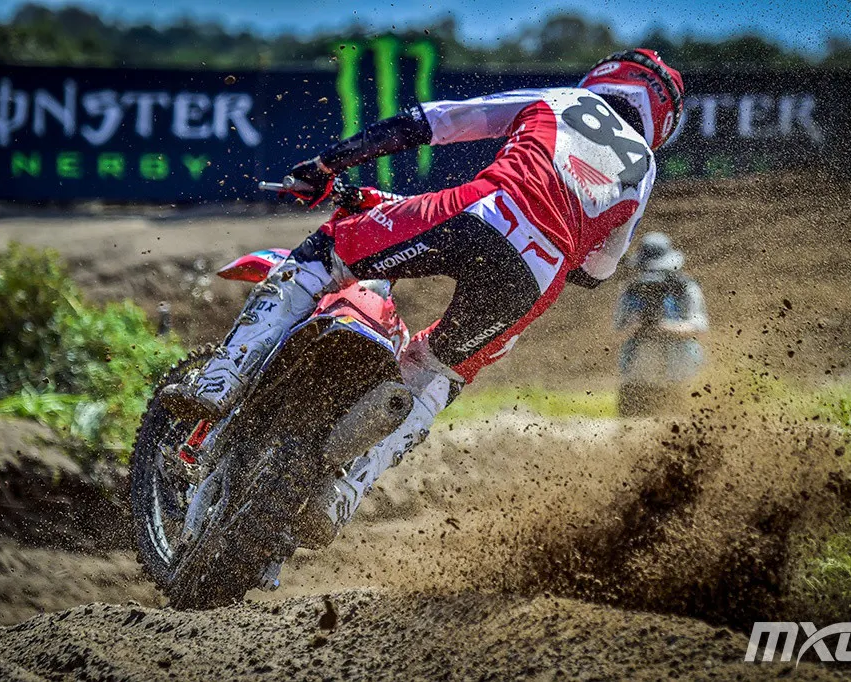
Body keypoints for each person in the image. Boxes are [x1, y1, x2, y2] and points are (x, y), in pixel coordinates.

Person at [163, 49, 685, 539]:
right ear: (660, 119)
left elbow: (435, 121)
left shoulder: (565, 100)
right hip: (536, 276)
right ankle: (344, 491)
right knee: (436, 376)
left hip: (482, 209)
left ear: (611, 76)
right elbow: (598, 269)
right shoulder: (643, 170)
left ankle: (223, 377)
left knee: (327, 252)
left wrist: (329, 165)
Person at [613, 232, 708, 416]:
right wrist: (636, 327)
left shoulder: (685, 288)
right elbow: (616, 333)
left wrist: (663, 327)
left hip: (679, 371)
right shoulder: (631, 290)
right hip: (639, 374)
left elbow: (699, 327)